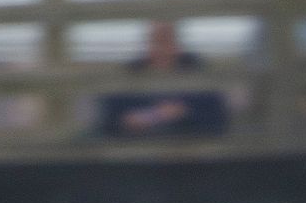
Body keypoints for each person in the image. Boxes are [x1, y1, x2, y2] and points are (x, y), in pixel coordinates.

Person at [97, 22, 228, 139]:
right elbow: (107, 120)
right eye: (155, 41)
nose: (160, 49)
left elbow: (218, 120)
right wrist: (127, 121)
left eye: (166, 40)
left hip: (189, 156)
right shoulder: (131, 73)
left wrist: (184, 113)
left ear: (177, 43)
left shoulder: (198, 72)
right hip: (138, 155)